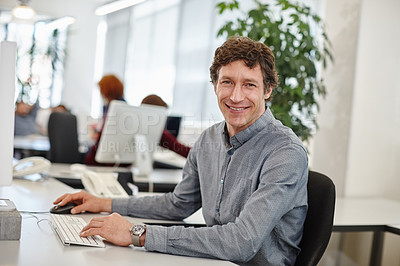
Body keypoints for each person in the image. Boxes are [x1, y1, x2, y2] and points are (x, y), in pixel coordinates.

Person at [54, 36, 308, 265]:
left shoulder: (285, 152)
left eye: (250, 85)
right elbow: (178, 205)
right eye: (227, 82)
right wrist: (104, 203)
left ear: (268, 90)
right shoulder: (209, 139)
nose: (236, 96)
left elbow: (240, 242)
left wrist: (138, 234)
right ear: (215, 85)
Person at [85, 74, 125, 166]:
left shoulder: (113, 107)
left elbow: (105, 135)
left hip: (106, 158)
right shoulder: (123, 106)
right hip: (116, 156)